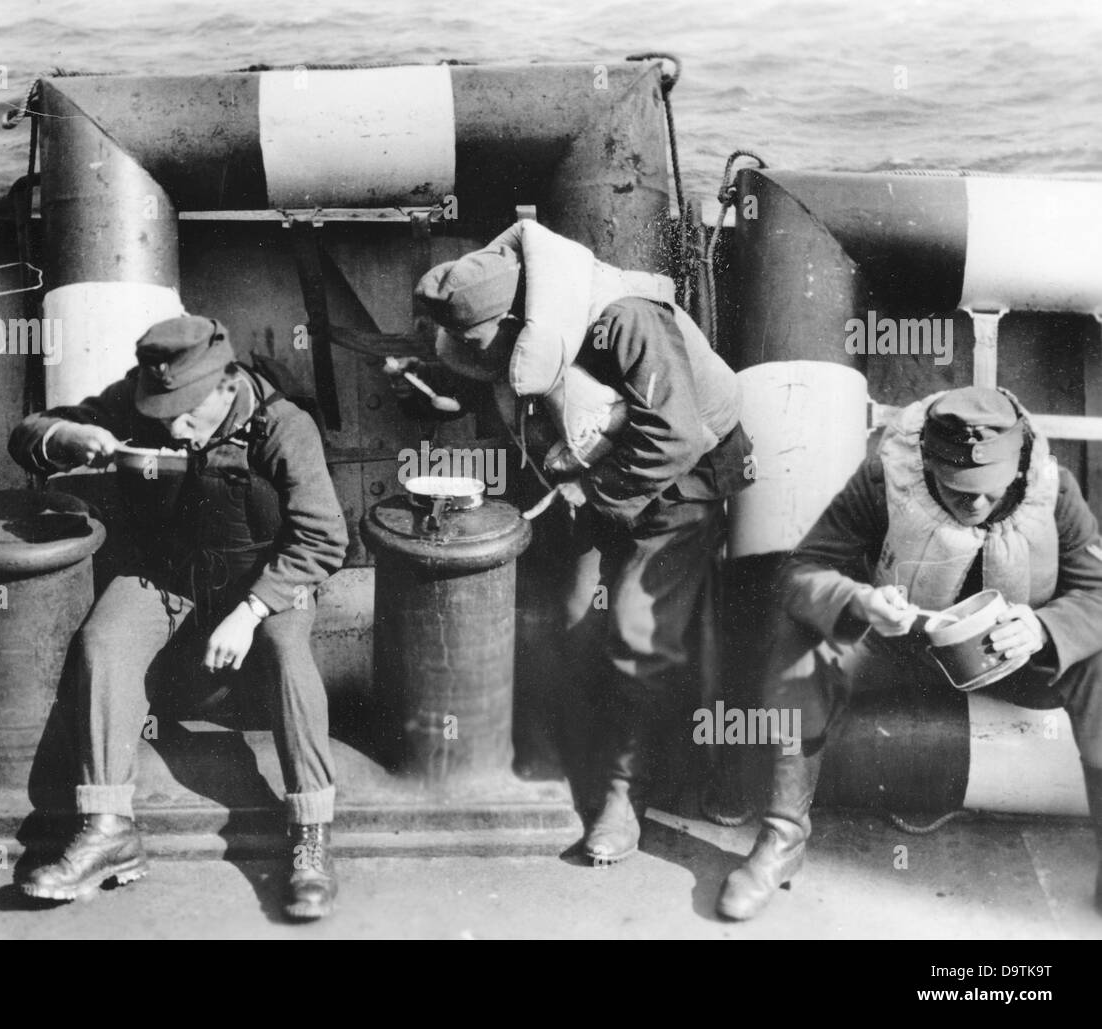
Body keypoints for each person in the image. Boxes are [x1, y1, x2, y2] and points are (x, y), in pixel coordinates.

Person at [404, 220, 753, 865]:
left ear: (518, 322)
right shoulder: (517, 319)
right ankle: (569, 745)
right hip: (599, 472)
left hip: (679, 481)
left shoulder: (623, 322)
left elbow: (677, 436)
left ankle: (625, 797)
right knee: (563, 612)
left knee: (635, 634)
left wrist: (593, 497)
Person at [8, 315, 349, 921]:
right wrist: (68, 436)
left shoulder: (282, 427)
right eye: (162, 411)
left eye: (187, 412)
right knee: (102, 644)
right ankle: (108, 827)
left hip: (266, 581)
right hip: (170, 575)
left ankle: (310, 836)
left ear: (225, 384)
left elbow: (321, 540)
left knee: (290, 661)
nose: (172, 424)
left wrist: (250, 611)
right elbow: (27, 433)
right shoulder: (140, 403)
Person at [717, 386, 1102, 920]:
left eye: (992, 491)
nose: (977, 505)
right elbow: (800, 572)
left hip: (1010, 653)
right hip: (903, 644)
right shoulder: (885, 477)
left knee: (1100, 667)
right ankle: (781, 842)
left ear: (1016, 468)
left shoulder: (1052, 489)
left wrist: (1043, 628)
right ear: (925, 460)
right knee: (800, 648)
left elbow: (1097, 592)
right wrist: (860, 600)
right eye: (959, 490)